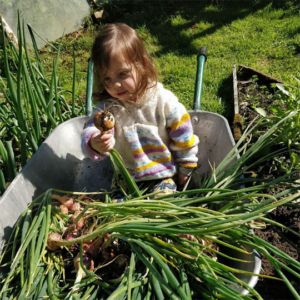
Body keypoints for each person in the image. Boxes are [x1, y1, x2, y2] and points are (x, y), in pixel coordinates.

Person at [81, 23, 199, 197]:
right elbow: (92, 127)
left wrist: (185, 169)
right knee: (115, 215)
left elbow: (183, 136)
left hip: (161, 175)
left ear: (142, 64)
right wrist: (94, 142)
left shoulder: (163, 101)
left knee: (161, 204)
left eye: (123, 74)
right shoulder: (108, 109)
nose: (115, 85)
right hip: (125, 178)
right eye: (107, 78)